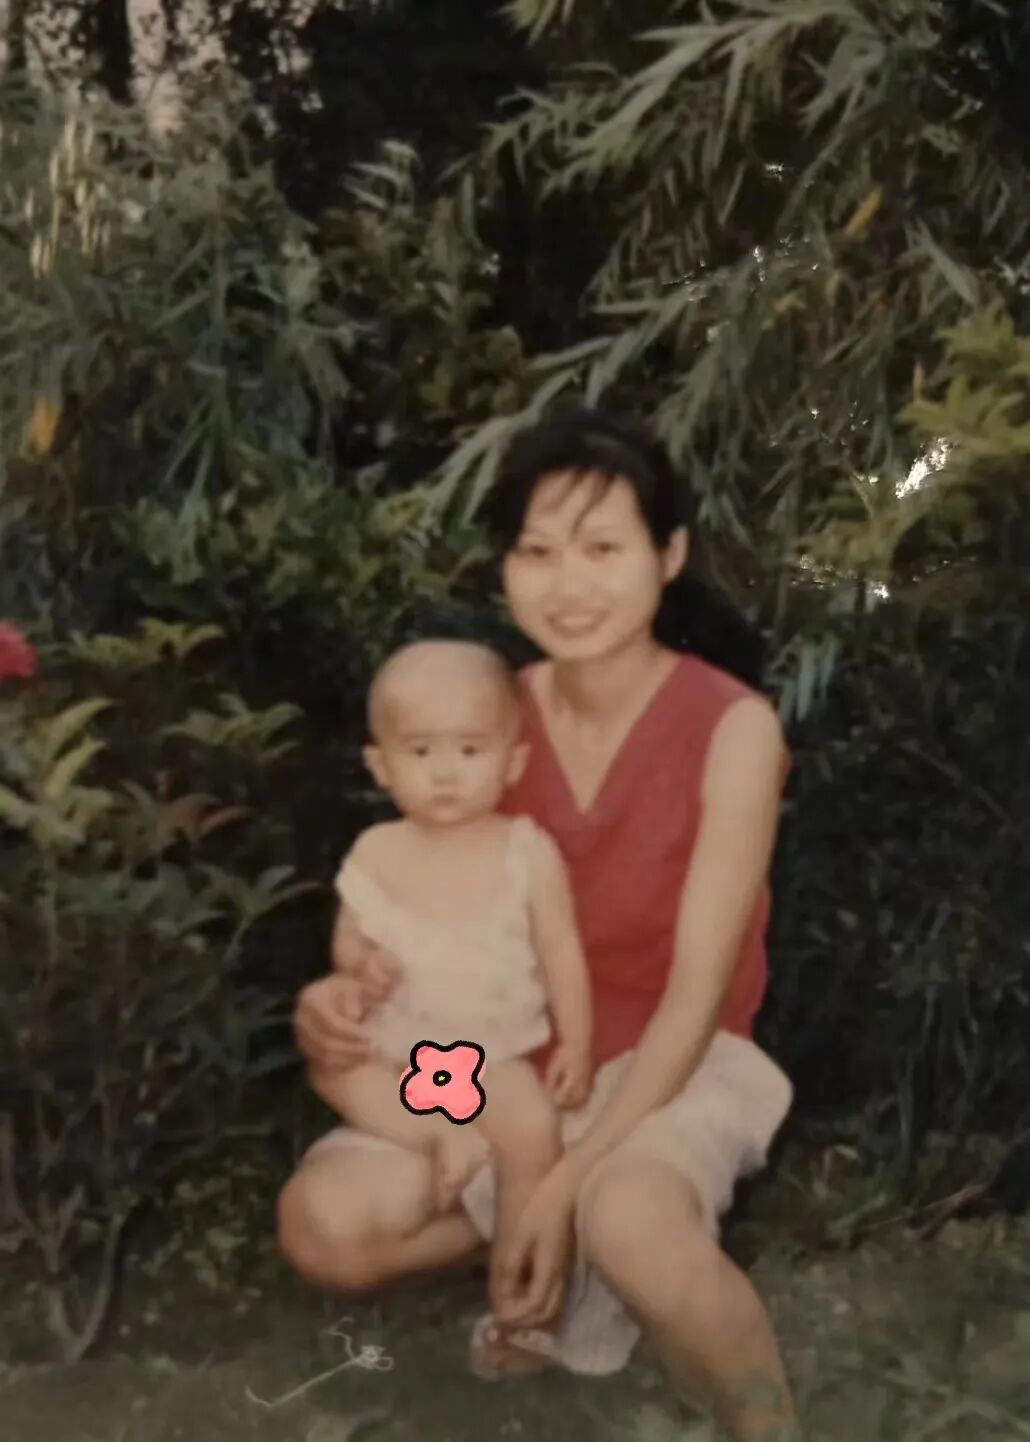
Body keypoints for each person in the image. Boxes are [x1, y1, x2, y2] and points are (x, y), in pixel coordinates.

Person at [280, 407, 800, 1440]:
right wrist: (333, 1001)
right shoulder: (482, 716)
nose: (569, 584)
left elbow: (697, 995)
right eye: (538, 551)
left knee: (627, 1214)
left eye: (603, 549)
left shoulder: (733, 728)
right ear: (506, 566)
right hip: (498, 1065)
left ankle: (763, 1417)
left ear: (669, 555)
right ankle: (538, 1239)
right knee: (326, 1222)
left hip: (678, 1059)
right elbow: (406, 916)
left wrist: (563, 1179)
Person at [307, 637, 593, 1367]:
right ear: (381, 766)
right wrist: (361, 968)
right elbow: (347, 941)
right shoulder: (376, 851)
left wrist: (578, 1041)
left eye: (469, 750)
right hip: (398, 1050)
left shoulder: (526, 851)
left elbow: (563, 953)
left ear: (513, 762)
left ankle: (522, 1304)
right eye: (420, 751)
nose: (444, 772)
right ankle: (438, 1134)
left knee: (533, 1131)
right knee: (334, 1068)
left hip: (490, 1054)